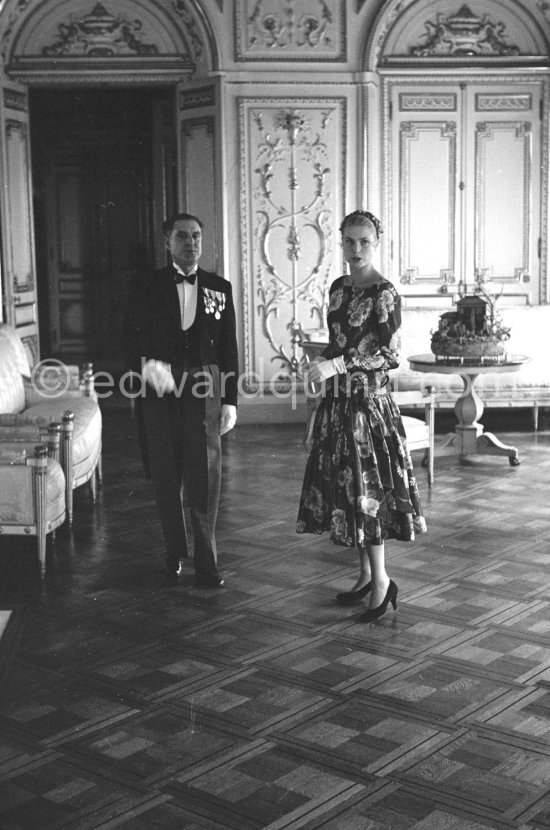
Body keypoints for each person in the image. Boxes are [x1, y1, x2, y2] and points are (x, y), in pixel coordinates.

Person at [296, 210, 427, 621]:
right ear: (342, 241)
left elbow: (389, 356)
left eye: (364, 242)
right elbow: (337, 343)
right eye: (349, 241)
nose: (356, 250)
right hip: (338, 405)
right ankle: (367, 575)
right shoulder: (337, 288)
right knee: (349, 493)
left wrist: (337, 366)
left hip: (368, 409)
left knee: (368, 493)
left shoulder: (384, 292)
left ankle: (384, 581)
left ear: (376, 242)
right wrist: (321, 372)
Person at [125, 212, 238, 588]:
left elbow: (228, 349)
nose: (191, 243)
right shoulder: (146, 286)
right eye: (183, 236)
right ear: (167, 242)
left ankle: (207, 562)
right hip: (159, 388)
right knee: (166, 472)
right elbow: (130, 337)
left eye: (196, 236)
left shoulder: (219, 287)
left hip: (205, 384)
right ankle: (173, 552)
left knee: (206, 473)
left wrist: (230, 400)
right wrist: (146, 367)